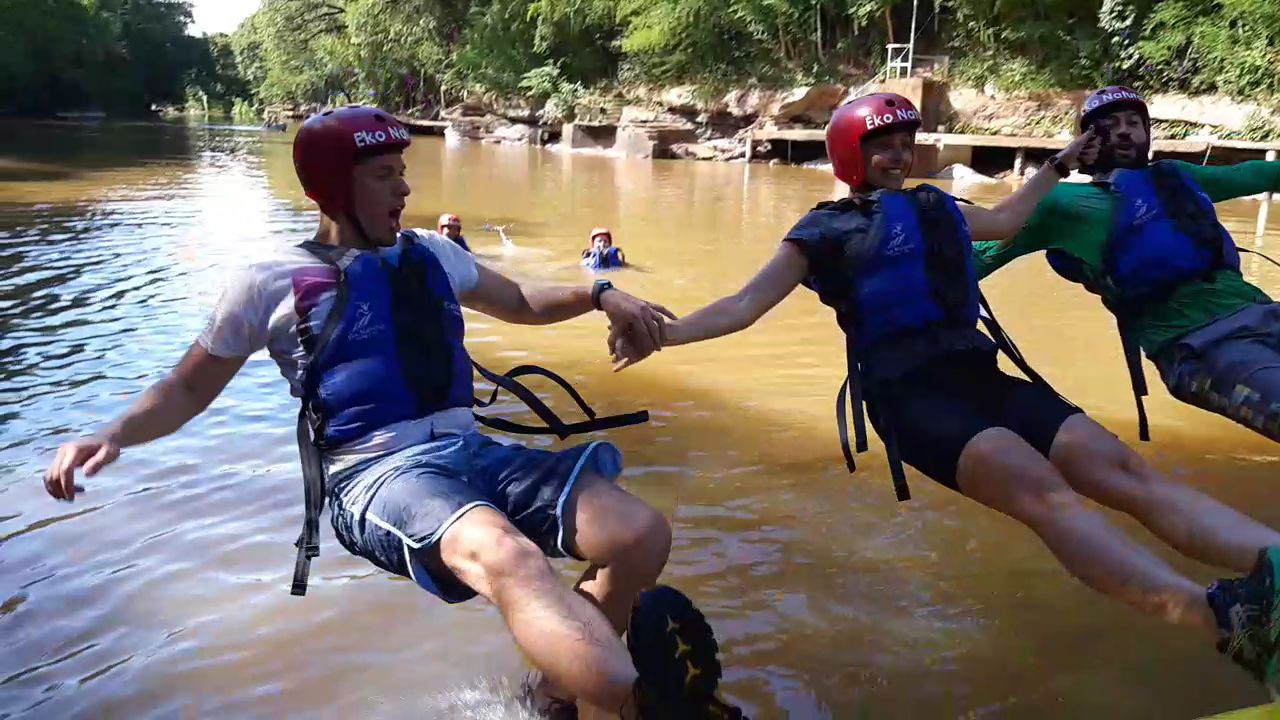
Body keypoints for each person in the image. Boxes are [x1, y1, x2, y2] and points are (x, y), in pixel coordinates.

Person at [40, 106, 743, 720]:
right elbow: (188, 389)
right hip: (376, 474)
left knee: (638, 532)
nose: (405, 186)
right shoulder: (269, 279)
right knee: (507, 553)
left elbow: (523, 302)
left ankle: (560, 699)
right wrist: (111, 434)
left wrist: (602, 297)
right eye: (383, 175)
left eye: (402, 170)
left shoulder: (432, 253)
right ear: (334, 188)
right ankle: (629, 699)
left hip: (473, 452)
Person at [610, 93, 1280, 695]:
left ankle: (1273, 564)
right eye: (883, 145)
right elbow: (744, 304)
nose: (898, 156)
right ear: (852, 153)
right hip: (911, 397)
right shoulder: (822, 230)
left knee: (1123, 471)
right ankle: (1220, 621)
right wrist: (663, 337)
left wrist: (1062, 159)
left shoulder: (937, 205)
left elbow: (1010, 217)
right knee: (1046, 495)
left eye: (906, 143)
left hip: (979, 375)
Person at [974, 86, 1280, 449]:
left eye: (1134, 122)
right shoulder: (1061, 205)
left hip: (1264, 314)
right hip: (1200, 346)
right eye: (1108, 125)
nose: (1123, 130)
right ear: (1084, 141)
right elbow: (972, 258)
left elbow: (1258, 174)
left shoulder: (1178, 176)